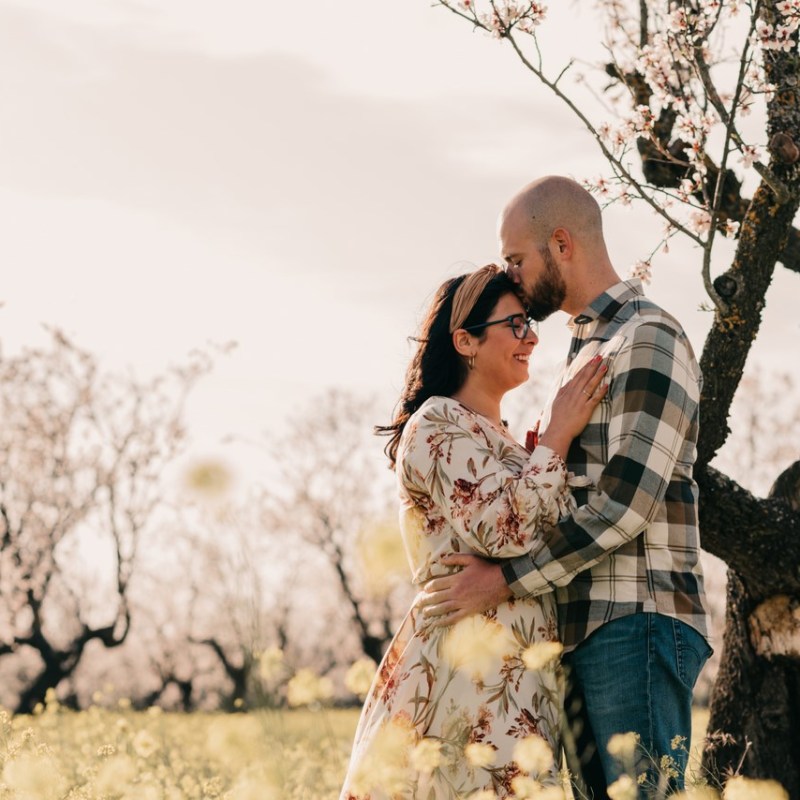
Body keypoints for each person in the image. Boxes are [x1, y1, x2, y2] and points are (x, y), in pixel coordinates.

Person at [418, 176, 712, 798]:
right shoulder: (586, 349)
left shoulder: (647, 337)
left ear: (561, 243)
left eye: (517, 260)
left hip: (637, 617)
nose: (511, 275)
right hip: (583, 625)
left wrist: (501, 580)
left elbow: (625, 507)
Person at [339, 264, 608, 800]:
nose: (531, 337)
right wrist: (556, 437)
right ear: (465, 340)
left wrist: (539, 455)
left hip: (516, 679)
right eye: (515, 324)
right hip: (465, 675)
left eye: (531, 323)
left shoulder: (502, 438)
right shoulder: (437, 422)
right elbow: (504, 532)